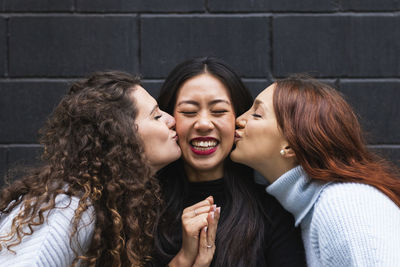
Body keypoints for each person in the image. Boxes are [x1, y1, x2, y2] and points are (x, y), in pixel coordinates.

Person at [0, 71, 198, 267]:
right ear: (122, 135)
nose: (171, 120)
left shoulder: (108, 201)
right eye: (156, 116)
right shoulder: (69, 208)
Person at [231, 74, 400, 266]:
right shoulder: (313, 209)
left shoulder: (344, 204)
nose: (238, 120)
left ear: (290, 147)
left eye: (257, 114)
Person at [153, 57, 306, 267]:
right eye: (188, 112)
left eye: (219, 111)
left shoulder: (273, 213)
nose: (204, 124)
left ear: (239, 119)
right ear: (168, 119)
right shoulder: (140, 211)